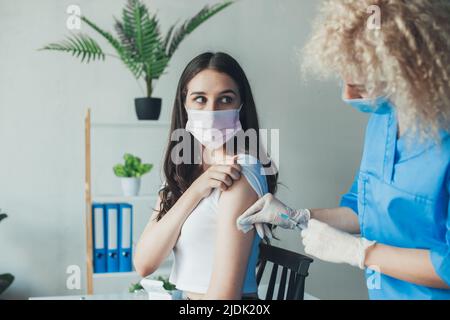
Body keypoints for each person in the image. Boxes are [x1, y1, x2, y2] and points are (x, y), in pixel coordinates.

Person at [237, 0, 450, 299]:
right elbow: (362, 210)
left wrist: (360, 252)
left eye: (361, 82)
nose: (347, 94)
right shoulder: (382, 123)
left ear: (410, 69)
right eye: (343, 77)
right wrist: (298, 216)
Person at [134, 52, 278, 300]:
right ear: (185, 103)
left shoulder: (240, 172)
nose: (211, 112)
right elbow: (145, 263)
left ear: (241, 106)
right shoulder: (183, 172)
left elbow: (225, 297)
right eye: (200, 99)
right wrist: (195, 190)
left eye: (225, 99)